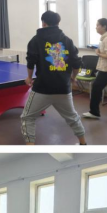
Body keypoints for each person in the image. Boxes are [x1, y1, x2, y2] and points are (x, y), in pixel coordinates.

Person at [21, 11, 87, 146]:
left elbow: (31, 61)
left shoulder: (36, 40)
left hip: (42, 88)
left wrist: (29, 77)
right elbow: (76, 64)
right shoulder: (67, 40)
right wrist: (73, 78)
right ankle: (83, 143)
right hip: (63, 88)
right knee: (73, 117)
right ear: (58, 23)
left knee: (27, 117)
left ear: (43, 23)